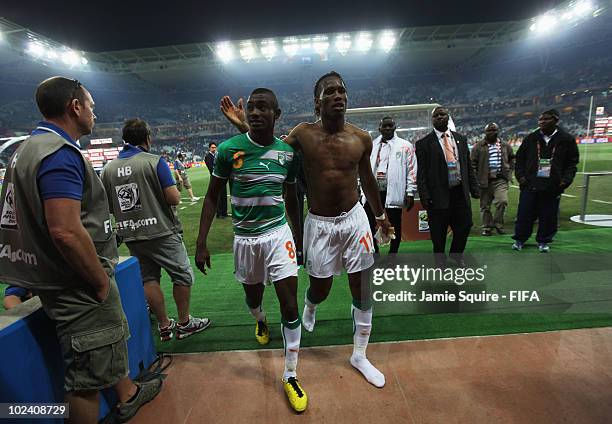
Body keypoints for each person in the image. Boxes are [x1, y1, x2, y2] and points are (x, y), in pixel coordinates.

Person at [0, 76, 161, 423]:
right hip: (76, 281)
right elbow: (66, 231)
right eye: (90, 105)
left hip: (52, 275)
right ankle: (122, 399)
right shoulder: (58, 154)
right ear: (75, 106)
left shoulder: (27, 148)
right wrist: (99, 281)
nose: (94, 112)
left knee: (100, 352)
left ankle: (127, 392)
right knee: (85, 378)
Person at [220, 72, 393, 389]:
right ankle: (311, 305)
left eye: (343, 90)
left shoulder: (361, 138)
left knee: (362, 287)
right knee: (321, 289)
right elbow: (271, 152)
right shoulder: (302, 135)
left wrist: (380, 216)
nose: (338, 95)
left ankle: (359, 355)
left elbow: (367, 179)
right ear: (318, 101)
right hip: (320, 223)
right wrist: (244, 126)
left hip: (355, 218)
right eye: (331, 92)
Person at [196, 88, 307, 412]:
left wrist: (297, 241)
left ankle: (290, 374)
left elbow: (291, 199)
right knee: (253, 299)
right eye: (252, 108)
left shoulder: (288, 155)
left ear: (277, 113)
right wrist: (201, 243)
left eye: (263, 108)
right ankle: (259, 320)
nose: (256, 112)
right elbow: (213, 196)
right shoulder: (229, 150)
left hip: (277, 236)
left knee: (289, 305)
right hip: (245, 240)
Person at [101, 118, 211, 341]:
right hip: (161, 231)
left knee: (148, 279)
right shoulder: (154, 161)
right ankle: (184, 322)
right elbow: (173, 198)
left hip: (131, 234)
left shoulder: (107, 169)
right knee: (182, 275)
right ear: (147, 138)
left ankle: (163, 326)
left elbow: (109, 206)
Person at [415, 106, 480, 266]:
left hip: (459, 192)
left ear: (448, 117)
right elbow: (421, 173)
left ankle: (456, 255)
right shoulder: (423, 144)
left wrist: (474, 188)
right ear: (432, 120)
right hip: (438, 195)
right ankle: (440, 259)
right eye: (436, 115)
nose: (439, 117)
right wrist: (425, 196)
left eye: (442, 114)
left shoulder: (461, 139)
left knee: (465, 225)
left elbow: (467, 167)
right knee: (438, 231)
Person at [512, 109, 579, 252]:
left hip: (552, 185)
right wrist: (521, 177)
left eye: (546, 119)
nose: (542, 122)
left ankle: (543, 241)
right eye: (540, 120)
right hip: (530, 184)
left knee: (548, 215)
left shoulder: (566, 139)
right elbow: (519, 160)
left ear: (556, 120)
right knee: (524, 214)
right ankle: (520, 239)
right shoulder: (531, 138)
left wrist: (565, 181)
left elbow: (572, 163)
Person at [363, 116, 417, 254]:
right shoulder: (372, 145)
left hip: (393, 191)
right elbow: (365, 168)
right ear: (379, 128)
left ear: (395, 127)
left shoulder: (405, 146)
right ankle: (375, 252)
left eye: (390, 126)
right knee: (369, 222)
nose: (387, 128)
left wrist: (410, 192)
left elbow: (412, 171)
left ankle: (393, 255)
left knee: (395, 224)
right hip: (374, 191)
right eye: (384, 126)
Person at [470, 123, 515, 236]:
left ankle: (498, 224)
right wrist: (476, 179)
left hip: (500, 179)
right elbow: (472, 164)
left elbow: (512, 158)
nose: (492, 132)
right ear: (485, 132)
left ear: (498, 131)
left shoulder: (505, 145)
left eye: (494, 130)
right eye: (489, 130)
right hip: (484, 181)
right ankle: (487, 227)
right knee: (485, 206)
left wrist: (509, 171)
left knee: (502, 201)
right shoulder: (478, 146)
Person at [204, 142, 228, 218]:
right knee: (218, 196)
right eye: (212, 147)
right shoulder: (208, 157)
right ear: (209, 148)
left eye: (215, 147)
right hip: (215, 178)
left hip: (222, 177)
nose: (214, 149)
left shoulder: (218, 155)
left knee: (224, 195)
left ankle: (224, 212)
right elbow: (211, 168)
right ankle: (219, 213)